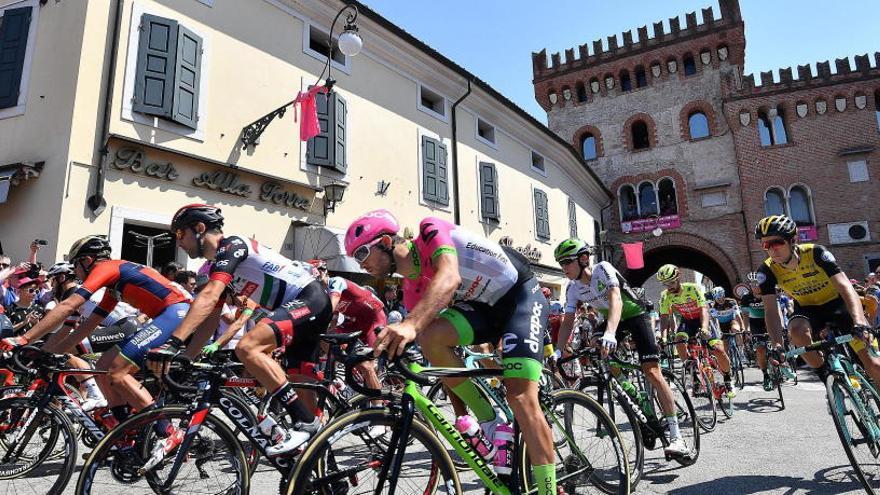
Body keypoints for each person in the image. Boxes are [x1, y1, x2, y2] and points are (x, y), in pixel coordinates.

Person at [345, 209, 558, 494]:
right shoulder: (411, 288)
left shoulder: (430, 230)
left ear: (385, 241)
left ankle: (549, 489)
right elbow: (441, 359)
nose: (360, 266)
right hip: (484, 308)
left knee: (520, 397)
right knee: (431, 337)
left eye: (360, 254)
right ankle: (490, 420)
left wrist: (409, 324)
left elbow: (449, 278)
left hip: (519, 297)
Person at [151, 204, 332, 455]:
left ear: (200, 229)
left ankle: (306, 423)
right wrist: (186, 359)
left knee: (248, 347)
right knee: (302, 388)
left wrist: (172, 343)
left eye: (180, 235)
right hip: (302, 310)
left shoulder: (232, 246)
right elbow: (210, 320)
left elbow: (209, 296)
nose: (178, 243)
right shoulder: (221, 267)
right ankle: (320, 465)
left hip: (311, 299)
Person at [0, 235, 191, 446]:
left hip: (175, 313)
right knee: (102, 365)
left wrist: (24, 339)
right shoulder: (113, 285)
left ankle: (168, 431)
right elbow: (89, 324)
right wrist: (49, 353)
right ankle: (124, 426)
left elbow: (68, 308)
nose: (75, 270)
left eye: (76, 264)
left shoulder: (107, 269)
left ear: (88, 260)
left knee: (118, 372)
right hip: (163, 316)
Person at [552, 238, 692, 458]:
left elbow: (616, 300)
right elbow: (568, 321)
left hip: (635, 314)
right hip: (610, 319)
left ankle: (677, 437)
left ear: (583, 259)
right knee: (598, 352)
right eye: (560, 263)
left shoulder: (602, 269)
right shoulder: (573, 288)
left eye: (567, 262)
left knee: (652, 371)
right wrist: (558, 351)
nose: (564, 268)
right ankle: (634, 395)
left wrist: (610, 333)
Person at [753, 215, 880, 385]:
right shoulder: (766, 270)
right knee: (796, 331)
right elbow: (771, 310)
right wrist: (777, 345)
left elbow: (845, 287)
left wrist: (859, 321)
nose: (772, 249)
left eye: (777, 242)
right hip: (808, 310)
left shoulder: (816, 253)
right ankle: (826, 374)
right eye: (766, 245)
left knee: (874, 365)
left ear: (793, 240)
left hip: (838, 305)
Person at [657, 264, 736, 397]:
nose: (669, 286)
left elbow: (703, 309)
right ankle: (693, 374)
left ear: (678, 278)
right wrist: (663, 337)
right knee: (679, 341)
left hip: (702, 319)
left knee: (718, 349)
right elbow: (664, 316)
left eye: (671, 282)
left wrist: (704, 328)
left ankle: (728, 378)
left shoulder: (693, 288)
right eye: (665, 283)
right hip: (687, 321)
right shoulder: (665, 295)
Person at [739, 273, 774, 390]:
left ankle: (784, 363)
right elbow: (745, 315)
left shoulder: (767, 293)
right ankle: (766, 375)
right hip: (755, 324)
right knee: (760, 349)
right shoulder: (746, 298)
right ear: (750, 286)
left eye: (758, 283)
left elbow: (776, 309)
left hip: (769, 320)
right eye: (753, 284)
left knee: (778, 342)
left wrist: (782, 325)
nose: (756, 286)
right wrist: (746, 329)